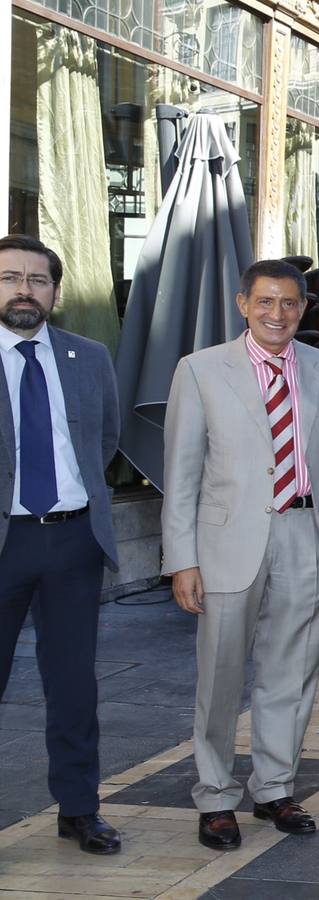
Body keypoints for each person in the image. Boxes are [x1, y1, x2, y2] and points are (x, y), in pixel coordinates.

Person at [162, 259, 319, 850]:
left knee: (291, 675)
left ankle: (274, 788)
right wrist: (183, 560)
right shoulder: (200, 371)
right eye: (266, 302)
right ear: (243, 303)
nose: (279, 314)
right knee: (220, 677)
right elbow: (181, 475)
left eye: (291, 303)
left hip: (306, 538)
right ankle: (216, 796)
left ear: (305, 308)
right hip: (226, 544)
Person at [0, 235, 122, 854]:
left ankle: (79, 808)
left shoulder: (88, 356)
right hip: (4, 544)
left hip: (73, 541)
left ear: (55, 291)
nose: (24, 290)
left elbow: (104, 442)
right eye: (10, 278)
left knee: (74, 686)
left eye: (38, 280)